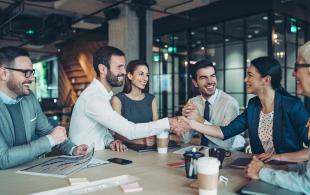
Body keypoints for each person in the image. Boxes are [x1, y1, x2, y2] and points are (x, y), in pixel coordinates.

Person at [184, 56, 309, 162]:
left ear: (266, 79)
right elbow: (225, 132)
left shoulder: (293, 107)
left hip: (288, 171)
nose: (245, 80)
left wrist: (278, 157)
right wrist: (190, 122)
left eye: (250, 75)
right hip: (259, 169)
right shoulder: (254, 105)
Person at [69, 46, 187, 151]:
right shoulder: (93, 98)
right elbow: (129, 130)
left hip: (97, 156)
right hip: (82, 160)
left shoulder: (106, 95)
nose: (124, 72)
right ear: (103, 69)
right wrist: (168, 122)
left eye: (124, 67)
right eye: (119, 67)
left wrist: (110, 141)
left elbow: (100, 131)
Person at [0, 47, 88, 169]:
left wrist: (73, 149)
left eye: (32, 73)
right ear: (4, 73)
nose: (31, 79)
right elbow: (3, 158)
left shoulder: (29, 98)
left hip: (30, 171)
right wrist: (50, 140)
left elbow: (47, 130)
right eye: (26, 72)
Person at [246, 41, 310, 193]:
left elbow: (307, 185)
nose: (293, 73)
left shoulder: (292, 106)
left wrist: (261, 172)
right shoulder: (253, 105)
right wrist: (279, 166)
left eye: (297, 67)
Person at [182, 59, 244, 150]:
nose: (210, 81)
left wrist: (199, 119)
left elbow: (226, 143)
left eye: (212, 76)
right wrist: (185, 119)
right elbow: (186, 139)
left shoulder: (230, 103)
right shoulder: (193, 102)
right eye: (204, 77)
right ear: (195, 83)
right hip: (203, 151)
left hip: (229, 153)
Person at [111, 60, 157, 146]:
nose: (145, 78)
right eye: (141, 74)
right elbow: (117, 133)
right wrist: (140, 141)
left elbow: (156, 128)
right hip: (127, 149)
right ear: (130, 75)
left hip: (149, 148)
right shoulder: (117, 99)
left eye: (147, 75)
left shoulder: (151, 99)